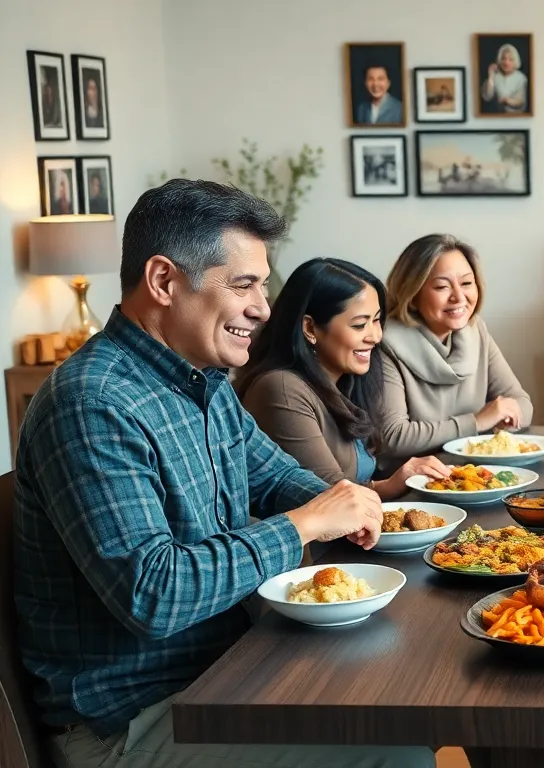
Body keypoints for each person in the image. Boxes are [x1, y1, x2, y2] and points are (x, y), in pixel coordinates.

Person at [12, 179, 434, 768]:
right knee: (399, 750)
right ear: (164, 281)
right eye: (244, 285)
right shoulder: (91, 402)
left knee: (412, 683)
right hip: (131, 722)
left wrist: (353, 509)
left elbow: (274, 475)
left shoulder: (202, 380)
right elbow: (153, 594)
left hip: (225, 667)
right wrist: (304, 525)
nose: (264, 307)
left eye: (262, 284)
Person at [235, 258, 451, 497]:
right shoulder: (281, 388)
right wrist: (390, 485)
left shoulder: (345, 380)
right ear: (309, 328)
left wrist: (400, 478)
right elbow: (329, 494)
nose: (375, 336)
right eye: (360, 325)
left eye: (377, 321)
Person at [378, 233, 532, 465]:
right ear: (412, 295)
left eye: (467, 283)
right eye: (442, 286)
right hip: (410, 485)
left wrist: (505, 417)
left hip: (474, 472)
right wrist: (477, 422)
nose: (459, 297)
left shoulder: (475, 330)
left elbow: (521, 404)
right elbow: (394, 437)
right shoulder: (384, 343)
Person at [481, 43, 528, 114]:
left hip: (517, 117)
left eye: (510, 59)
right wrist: (491, 76)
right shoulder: (496, 76)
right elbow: (487, 97)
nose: (506, 62)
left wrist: (506, 100)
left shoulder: (521, 78)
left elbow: (521, 102)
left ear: (515, 61)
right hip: (497, 118)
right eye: (503, 58)